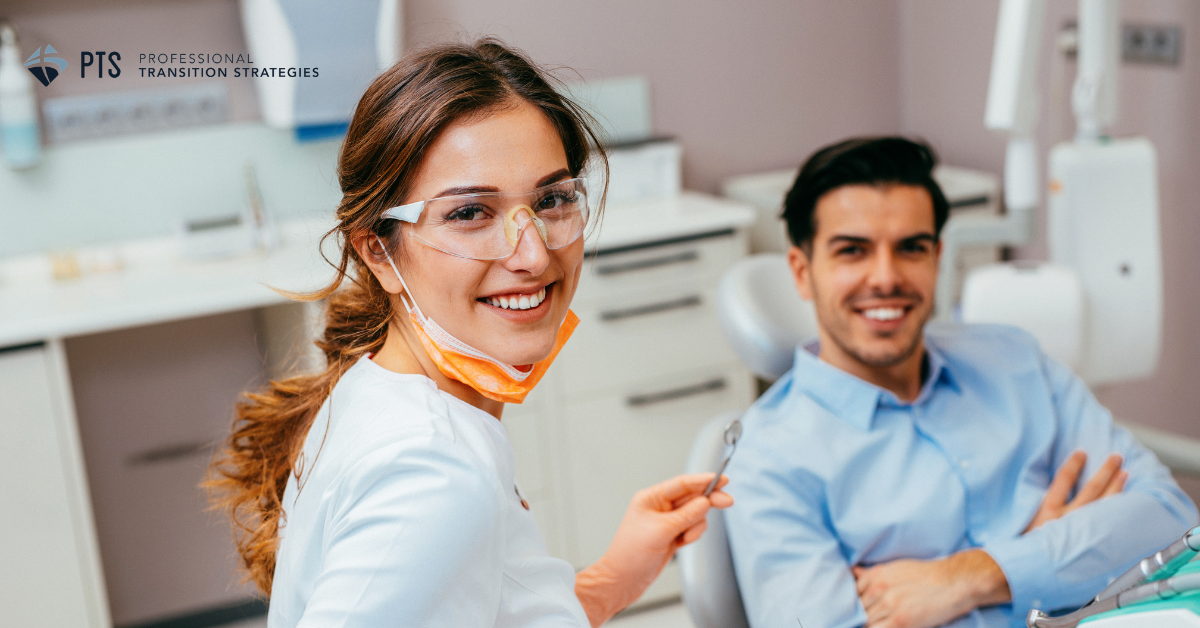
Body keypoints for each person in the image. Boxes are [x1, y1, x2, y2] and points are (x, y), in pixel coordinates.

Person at [207, 39, 732, 628]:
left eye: (553, 199)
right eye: (469, 214)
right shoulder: (432, 473)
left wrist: (610, 580)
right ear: (379, 251)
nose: (532, 254)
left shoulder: (376, 390)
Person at [722, 137, 1198, 628]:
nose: (885, 277)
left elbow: (1170, 520)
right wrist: (1063, 558)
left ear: (937, 258)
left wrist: (977, 575)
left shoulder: (1016, 362)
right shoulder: (766, 460)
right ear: (802, 272)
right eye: (853, 251)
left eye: (911, 248)